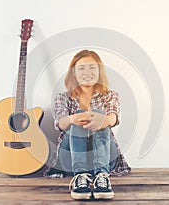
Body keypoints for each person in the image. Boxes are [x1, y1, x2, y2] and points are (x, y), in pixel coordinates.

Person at [44, 50, 131, 200]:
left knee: (98, 114)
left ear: (99, 71)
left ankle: (102, 177)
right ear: (74, 73)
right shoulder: (63, 97)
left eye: (92, 67)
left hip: (106, 157)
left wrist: (102, 120)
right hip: (70, 160)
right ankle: (80, 176)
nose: (87, 72)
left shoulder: (110, 95)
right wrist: (73, 119)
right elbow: (60, 123)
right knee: (79, 115)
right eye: (81, 68)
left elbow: (113, 118)